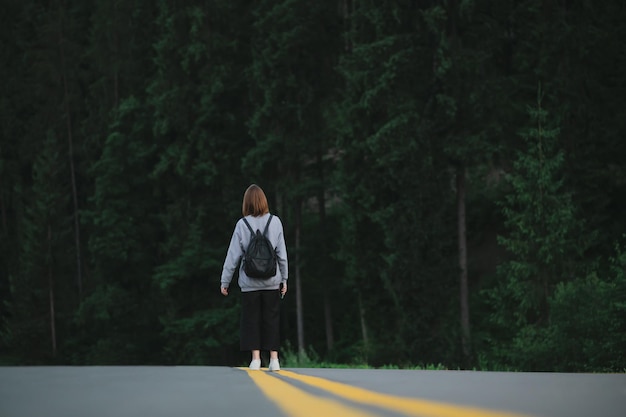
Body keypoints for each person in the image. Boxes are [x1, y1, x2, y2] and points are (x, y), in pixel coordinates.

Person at [220, 184, 288, 371]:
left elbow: (233, 255)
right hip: (272, 280)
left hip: (249, 282)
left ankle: (255, 359)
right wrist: (284, 278)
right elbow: (281, 253)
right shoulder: (275, 222)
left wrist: (225, 280)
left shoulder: (242, 225)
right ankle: (274, 359)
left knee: (251, 319)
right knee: (271, 318)